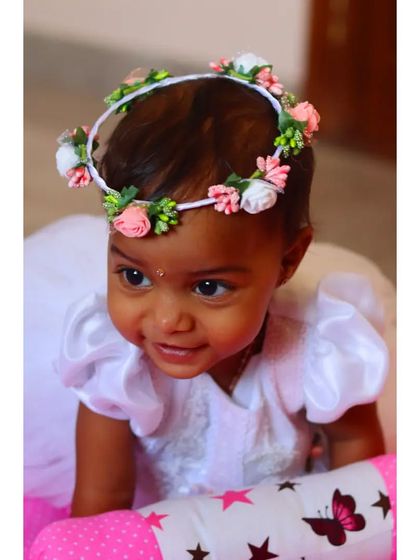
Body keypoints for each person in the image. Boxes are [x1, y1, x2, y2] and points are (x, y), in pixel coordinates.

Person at [48, 53, 388, 518]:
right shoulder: (115, 364)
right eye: (134, 276)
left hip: (290, 533)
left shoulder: (319, 348)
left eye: (209, 288)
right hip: (159, 541)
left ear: (289, 259)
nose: (167, 321)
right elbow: (100, 510)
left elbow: (363, 486)